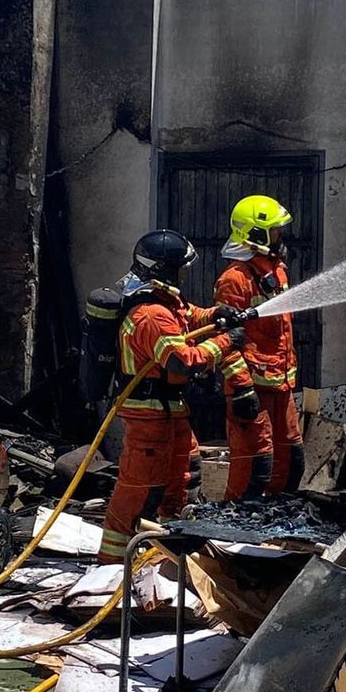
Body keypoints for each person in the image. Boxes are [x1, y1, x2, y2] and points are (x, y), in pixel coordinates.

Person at [100, 229, 245, 562]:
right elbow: (183, 361)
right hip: (149, 418)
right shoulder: (151, 315)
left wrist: (216, 314)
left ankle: (165, 555)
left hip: (170, 412)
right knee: (139, 493)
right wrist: (226, 342)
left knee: (182, 479)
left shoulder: (165, 304)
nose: (183, 273)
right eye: (180, 267)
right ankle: (111, 568)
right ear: (164, 270)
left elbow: (190, 315)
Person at [216, 194, 303, 499]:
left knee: (291, 461)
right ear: (255, 234)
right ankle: (232, 528)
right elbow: (224, 340)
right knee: (254, 467)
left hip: (281, 385)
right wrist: (241, 388)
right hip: (252, 388)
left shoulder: (277, 270)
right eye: (275, 231)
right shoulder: (234, 279)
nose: (280, 237)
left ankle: (274, 525)